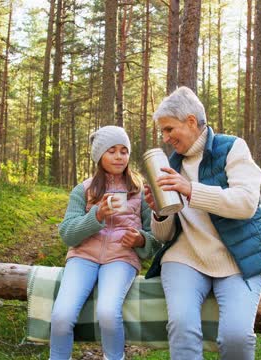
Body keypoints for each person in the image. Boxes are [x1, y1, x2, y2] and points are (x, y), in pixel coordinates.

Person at [144, 87, 261, 360]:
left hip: (237, 258)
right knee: (182, 328)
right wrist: (159, 212)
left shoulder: (232, 148)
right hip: (186, 257)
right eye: (163, 132)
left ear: (191, 121)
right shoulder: (171, 163)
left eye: (169, 129)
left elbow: (245, 203)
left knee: (236, 338)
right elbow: (164, 235)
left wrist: (190, 189)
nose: (166, 138)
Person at [51, 125, 157, 360]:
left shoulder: (140, 192)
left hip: (121, 258)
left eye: (123, 151)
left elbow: (155, 236)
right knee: (61, 316)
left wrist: (140, 240)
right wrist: (97, 215)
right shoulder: (83, 190)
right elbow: (67, 234)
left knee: (108, 312)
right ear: (99, 155)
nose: (119, 156)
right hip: (83, 257)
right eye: (112, 151)